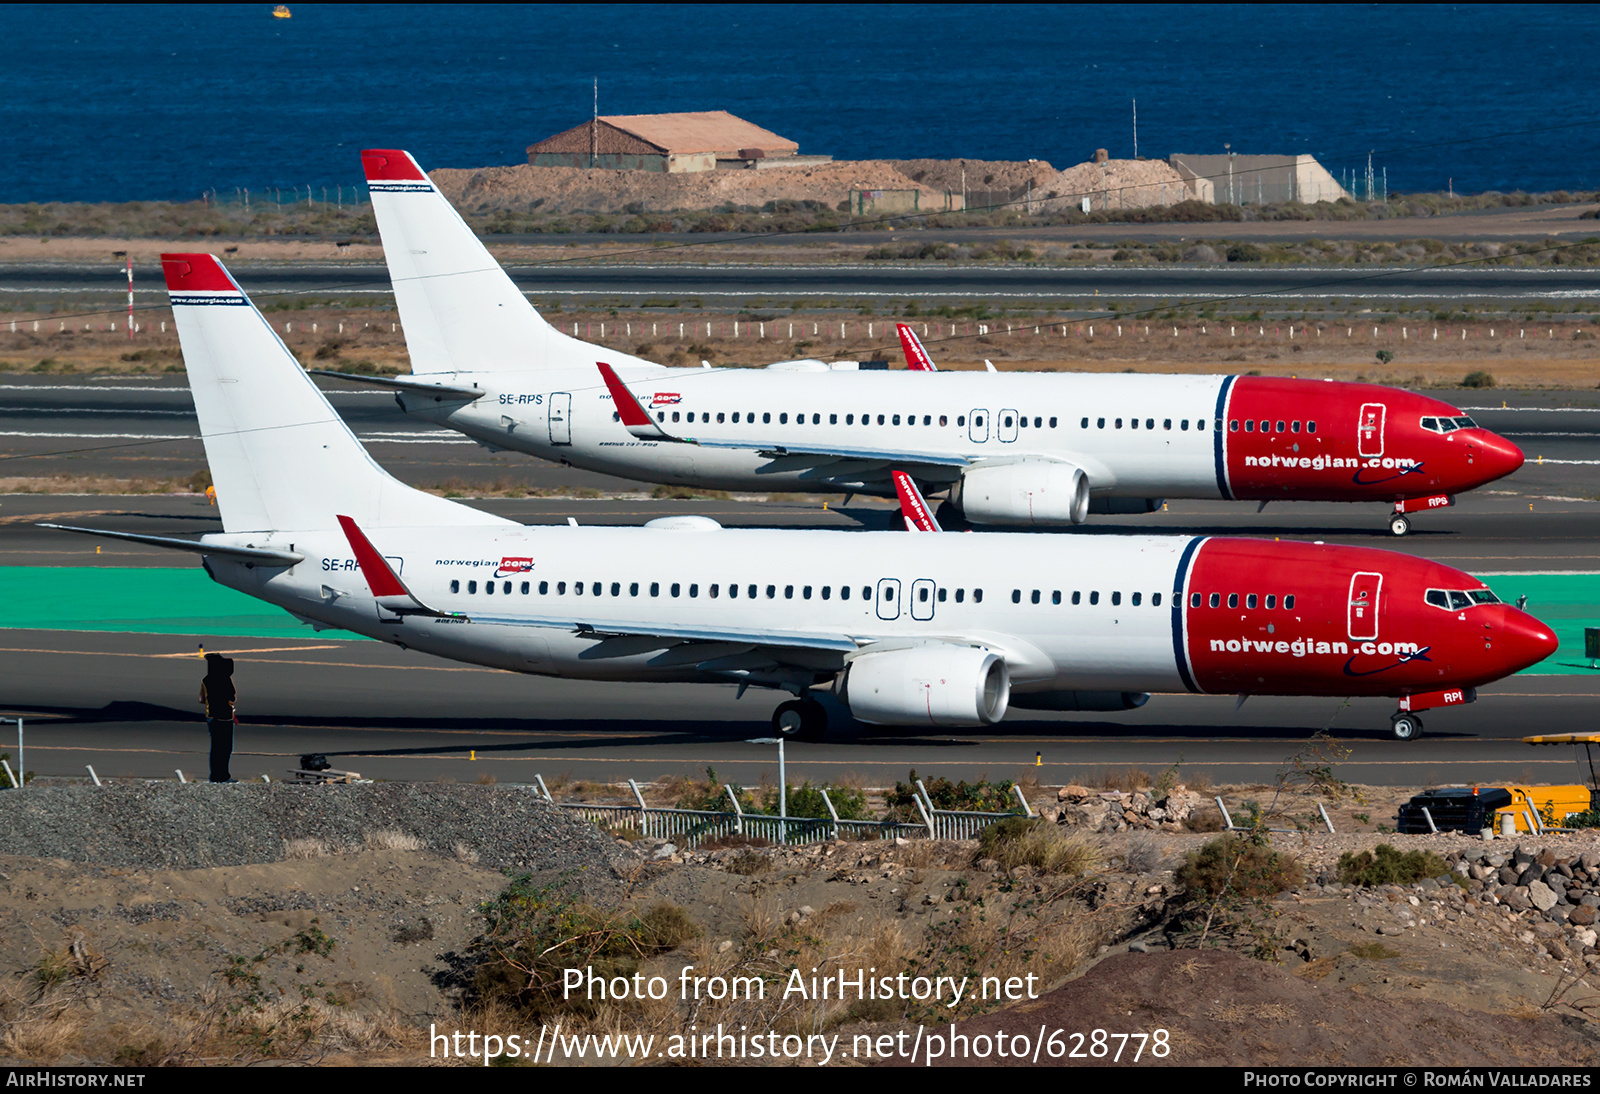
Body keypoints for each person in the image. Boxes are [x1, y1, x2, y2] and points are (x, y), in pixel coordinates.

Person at [199, 653, 237, 783]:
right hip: (224, 718)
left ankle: (215, 775)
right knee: (225, 749)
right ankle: (223, 776)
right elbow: (232, 697)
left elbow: (201, 699)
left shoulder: (206, 680)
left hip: (211, 716)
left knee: (215, 749)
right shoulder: (225, 679)